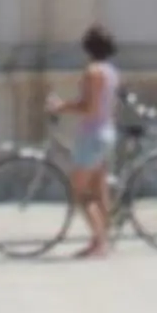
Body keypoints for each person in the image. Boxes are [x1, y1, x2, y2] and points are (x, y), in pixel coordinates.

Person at [46, 25, 121, 260]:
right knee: (99, 189)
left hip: (92, 135)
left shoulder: (93, 72)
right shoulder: (111, 71)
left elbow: (88, 106)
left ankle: (100, 242)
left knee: (79, 191)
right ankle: (101, 239)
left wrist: (61, 106)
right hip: (106, 131)